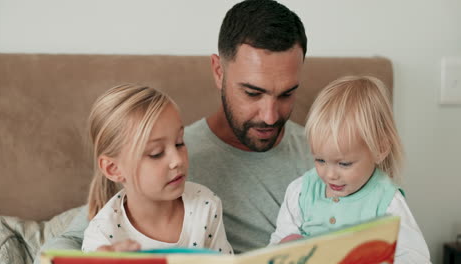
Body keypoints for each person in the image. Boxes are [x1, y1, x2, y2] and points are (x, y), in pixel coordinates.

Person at [34, 0, 311, 260]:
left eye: (287, 94)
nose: (270, 116)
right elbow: (67, 241)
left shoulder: (326, 152)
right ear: (218, 71)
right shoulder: (164, 156)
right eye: (252, 93)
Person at [269, 76, 431, 263]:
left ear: (379, 150)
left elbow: (415, 258)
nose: (330, 175)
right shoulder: (301, 191)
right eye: (320, 160)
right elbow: (277, 243)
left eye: (344, 164)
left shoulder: (387, 201)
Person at [81, 84, 232, 253]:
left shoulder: (205, 205)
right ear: (113, 169)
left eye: (179, 142)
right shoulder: (103, 236)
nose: (177, 160)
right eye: (156, 153)